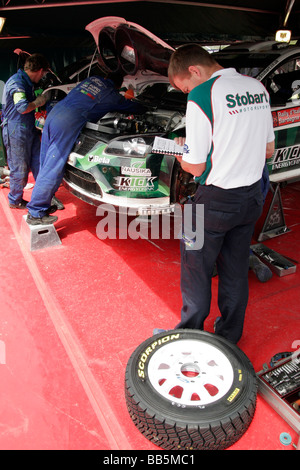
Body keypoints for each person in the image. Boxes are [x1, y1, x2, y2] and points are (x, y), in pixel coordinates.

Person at [168, 44, 275, 344]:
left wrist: (181, 153)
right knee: (235, 267)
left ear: (194, 71)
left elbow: (195, 165)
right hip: (251, 197)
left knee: (196, 268)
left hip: (214, 201)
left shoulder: (201, 95)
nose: (186, 91)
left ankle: (191, 332)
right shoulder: (257, 88)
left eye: (184, 86)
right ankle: (229, 335)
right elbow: (268, 149)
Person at [26, 74, 145, 225]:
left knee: (45, 163)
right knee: (53, 167)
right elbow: (130, 107)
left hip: (54, 114)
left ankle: (42, 203)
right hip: (67, 122)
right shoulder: (111, 95)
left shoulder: (93, 79)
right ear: (116, 86)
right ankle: (36, 212)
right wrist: (145, 107)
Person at [1, 53, 50, 209]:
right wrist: (39, 101)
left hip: (28, 128)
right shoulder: (17, 83)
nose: (42, 77)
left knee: (39, 163)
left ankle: (45, 196)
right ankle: (15, 200)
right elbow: (22, 108)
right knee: (20, 168)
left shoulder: (26, 82)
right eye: (43, 74)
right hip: (16, 130)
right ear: (40, 70)